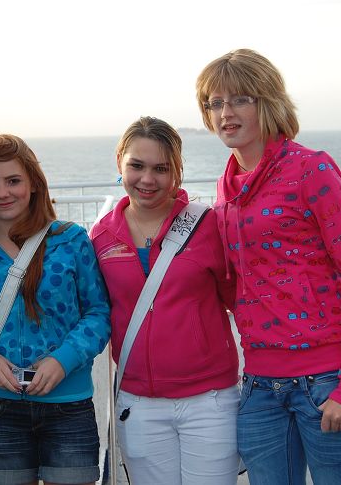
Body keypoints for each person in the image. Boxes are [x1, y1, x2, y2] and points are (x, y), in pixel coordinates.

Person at [195, 49, 341, 485]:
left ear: (268, 102)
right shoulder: (226, 188)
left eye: (240, 99)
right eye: (214, 102)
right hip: (260, 384)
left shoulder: (311, 169)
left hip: (327, 381)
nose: (225, 113)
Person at [89, 116, 241, 485]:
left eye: (161, 168)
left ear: (176, 171)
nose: (147, 179)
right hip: (139, 404)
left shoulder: (207, 225)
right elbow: (95, 311)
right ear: (119, 162)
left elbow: (240, 299)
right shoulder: (101, 235)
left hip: (209, 401)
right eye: (137, 166)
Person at [0, 133, 111, 485]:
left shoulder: (70, 239)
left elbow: (98, 313)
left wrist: (64, 359)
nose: (2, 193)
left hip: (69, 404)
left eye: (13, 181)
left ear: (33, 183)